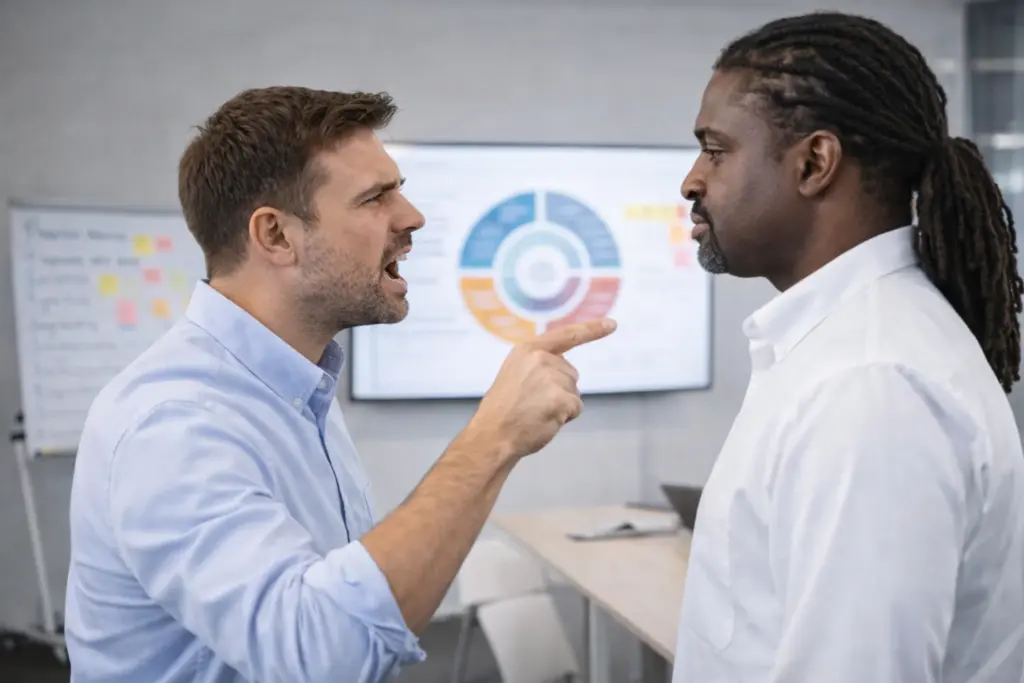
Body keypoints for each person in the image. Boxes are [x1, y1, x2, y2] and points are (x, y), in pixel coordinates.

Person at [63, 86, 616, 683]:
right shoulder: (173, 423)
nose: (412, 217)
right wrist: (492, 439)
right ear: (275, 236)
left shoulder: (300, 384)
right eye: (377, 198)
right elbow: (321, 655)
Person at [674, 11, 1024, 683]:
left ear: (814, 162)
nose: (692, 180)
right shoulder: (848, 352)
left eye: (715, 150)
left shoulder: (871, 386)